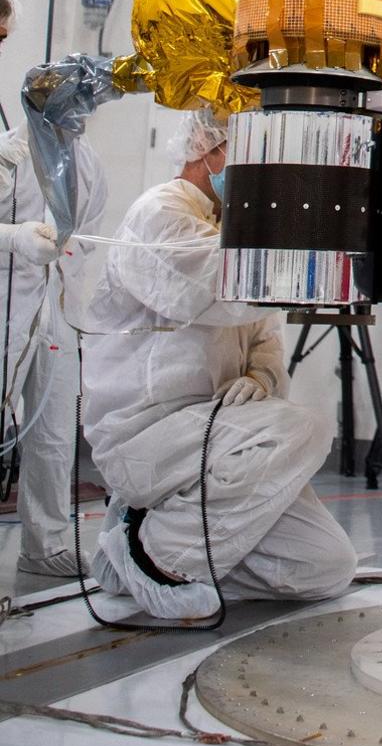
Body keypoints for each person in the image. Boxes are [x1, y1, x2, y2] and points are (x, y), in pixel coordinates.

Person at [83, 105, 355, 620]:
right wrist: (321, 251)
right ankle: (156, 556)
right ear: (208, 150)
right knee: (307, 427)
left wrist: (261, 375)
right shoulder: (159, 213)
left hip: (214, 439)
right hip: (148, 433)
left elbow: (264, 334)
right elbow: (222, 286)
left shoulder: (228, 224)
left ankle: (128, 547)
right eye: (248, 150)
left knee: (326, 566)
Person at [1, 0, 108, 579]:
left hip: (59, 311)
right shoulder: (9, 156)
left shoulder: (86, 161)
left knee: (52, 432)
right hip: (6, 306)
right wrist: (17, 238)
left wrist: (70, 254)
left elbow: (89, 229)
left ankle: (46, 545)